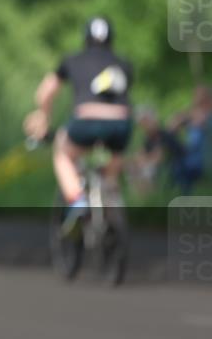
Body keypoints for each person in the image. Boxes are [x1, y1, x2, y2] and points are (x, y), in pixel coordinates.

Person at [24, 17, 133, 214]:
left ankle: (77, 201)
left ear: (85, 39)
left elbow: (45, 92)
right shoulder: (124, 64)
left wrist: (44, 118)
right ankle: (110, 194)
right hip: (121, 124)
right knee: (115, 157)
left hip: (85, 122)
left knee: (63, 154)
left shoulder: (72, 60)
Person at [170, 84, 212, 190]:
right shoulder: (195, 116)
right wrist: (179, 120)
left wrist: (189, 117)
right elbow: (172, 129)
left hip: (205, 163)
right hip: (191, 159)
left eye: (201, 101)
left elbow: (203, 121)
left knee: (179, 168)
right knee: (171, 150)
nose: (197, 103)